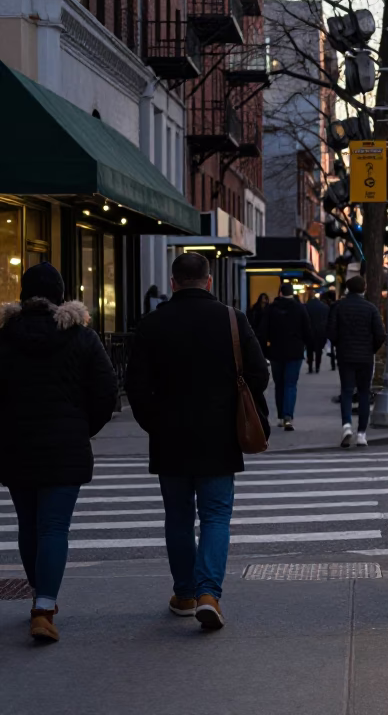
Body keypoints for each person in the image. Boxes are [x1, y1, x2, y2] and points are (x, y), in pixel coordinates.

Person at [125, 252, 270, 631]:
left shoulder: (152, 324)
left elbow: (135, 386)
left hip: (169, 436)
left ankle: (185, 593)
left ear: (173, 283)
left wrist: (153, 423)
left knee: (177, 518)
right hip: (220, 435)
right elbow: (258, 374)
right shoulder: (232, 320)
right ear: (209, 281)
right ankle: (209, 594)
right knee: (216, 516)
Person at [0, 263, 117, 643]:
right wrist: (83, 428)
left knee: (29, 523)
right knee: (54, 527)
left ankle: (39, 594)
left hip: (15, 444)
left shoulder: (4, 336)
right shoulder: (81, 337)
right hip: (65, 445)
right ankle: (45, 606)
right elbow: (106, 392)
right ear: (61, 294)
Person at [326, 276, 384, 448]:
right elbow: (380, 334)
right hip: (365, 356)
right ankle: (361, 434)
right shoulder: (370, 308)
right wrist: (371, 348)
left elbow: (330, 331)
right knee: (364, 393)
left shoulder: (338, 307)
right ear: (363, 289)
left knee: (346, 391)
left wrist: (339, 345)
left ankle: (346, 426)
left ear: (347, 289)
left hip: (345, 355)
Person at [259, 283, 312, 430]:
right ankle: (288, 416)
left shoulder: (271, 309)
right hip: (295, 351)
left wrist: (264, 351)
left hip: (276, 351)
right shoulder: (300, 308)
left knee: (279, 384)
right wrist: (308, 351)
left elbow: (263, 331)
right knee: (290, 384)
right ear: (292, 293)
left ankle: (281, 415)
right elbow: (307, 330)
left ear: (280, 293)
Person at [305, 290, 331, 374]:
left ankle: (310, 366)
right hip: (320, 331)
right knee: (318, 350)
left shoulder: (306, 306)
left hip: (309, 331)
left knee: (309, 350)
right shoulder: (325, 307)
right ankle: (317, 367)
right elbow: (327, 320)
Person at [322, 289, 338, 370]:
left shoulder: (328, 306)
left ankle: (333, 363)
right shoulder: (337, 305)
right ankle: (335, 361)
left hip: (331, 330)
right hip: (337, 330)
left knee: (331, 347)